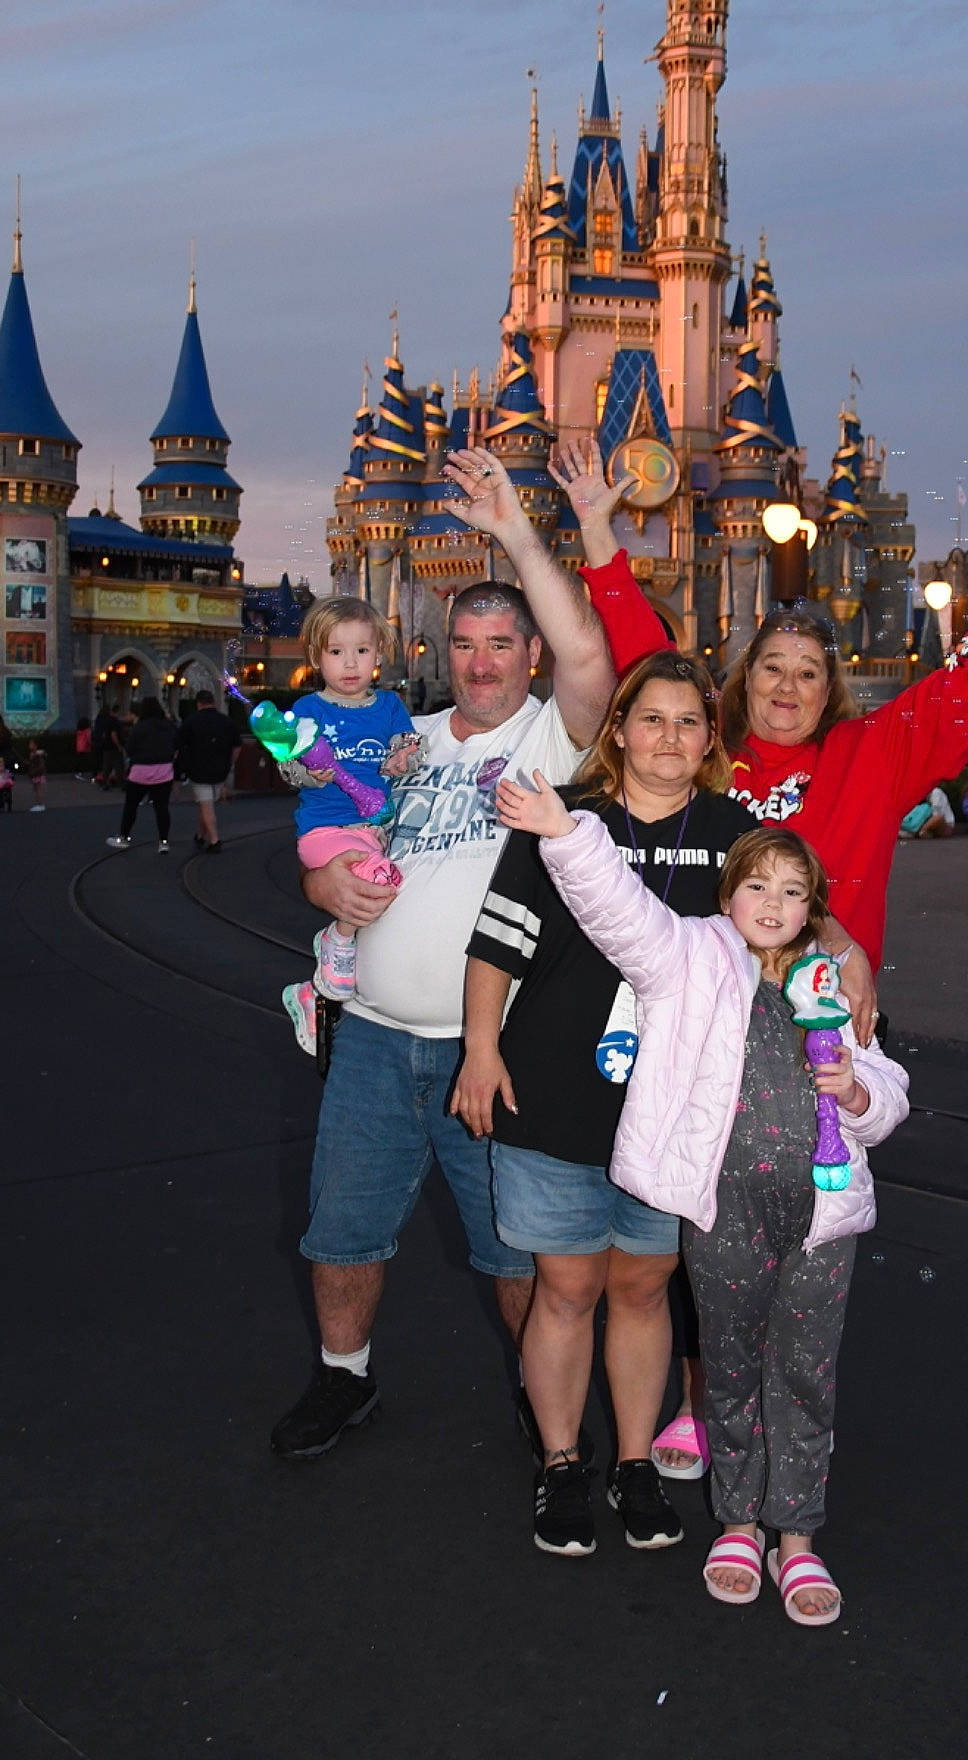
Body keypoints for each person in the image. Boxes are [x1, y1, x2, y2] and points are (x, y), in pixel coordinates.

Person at [270, 446, 617, 1463]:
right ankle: (345, 1377)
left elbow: (594, 659)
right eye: (464, 641)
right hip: (374, 1039)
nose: (479, 660)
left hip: (493, 1052)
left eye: (502, 642)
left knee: (513, 1246)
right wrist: (319, 884)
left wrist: (515, 530)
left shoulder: (559, 739)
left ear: (528, 653)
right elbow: (328, 827)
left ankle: (536, 1389)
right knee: (341, 1227)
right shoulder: (404, 737)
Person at [500, 776, 909, 1626]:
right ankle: (736, 1520)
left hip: (823, 1217)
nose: (773, 901)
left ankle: (795, 1536)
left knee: (803, 1373)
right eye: (757, 883)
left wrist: (859, 1097)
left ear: (813, 910)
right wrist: (561, 832)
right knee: (725, 1366)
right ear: (727, 895)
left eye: (794, 891)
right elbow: (616, 907)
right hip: (721, 1211)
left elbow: (889, 1086)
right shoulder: (687, 957)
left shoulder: (831, 985)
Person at [556, 437, 968, 974]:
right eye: (773, 667)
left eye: (808, 674)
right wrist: (596, 530)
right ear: (745, 678)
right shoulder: (702, 757)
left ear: (827, 694)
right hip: (705, 1015)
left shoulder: (868, 758)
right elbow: (647, 660)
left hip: (826, 1026)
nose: (787, 686)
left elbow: (957, 692)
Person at [452, 651, 764, 1558]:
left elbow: (782, 935)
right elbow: (497, 945)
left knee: (640, 1287)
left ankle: (634, 1464)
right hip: (551, 1087)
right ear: (618, 730)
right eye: (652, 719)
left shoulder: (732, 833)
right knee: (565, 1286)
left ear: (709, 741)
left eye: (688, 722)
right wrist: (479, 1051)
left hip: (668, 1111)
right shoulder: (565, 819)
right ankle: (560, 1463)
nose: (669, 737)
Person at [273, 600, 421, 1054]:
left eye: (361, 650)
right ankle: (336, 938)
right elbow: (285, 766)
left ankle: (316, 992)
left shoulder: (391, 705)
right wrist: (306, 773)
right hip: (325, 831)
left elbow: (409, 748)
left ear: (379, 654)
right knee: (376, 880)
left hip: (373, 827)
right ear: (317, 659)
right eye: (337, 653)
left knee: (387, 889)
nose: (350, 663)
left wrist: (403, 760)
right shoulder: (306, 708)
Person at [105, 697, 178, 852]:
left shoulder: (140, 727)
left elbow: (130, 748)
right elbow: (176, 744)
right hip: (163, 771)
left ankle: (124, 837)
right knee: (162, 809)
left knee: (131, 807)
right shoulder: (168, 726)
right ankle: (163, 842)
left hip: (141, 772)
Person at [176, 688, 239, 854]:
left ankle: (214, 840)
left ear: (198, 703)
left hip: (198, 769)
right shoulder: (226, 722)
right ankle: (200, 835)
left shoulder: (190, 722)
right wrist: (229, 763)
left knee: (206, 805)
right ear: (214, 702)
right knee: (207, 805)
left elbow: (180, 746)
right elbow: (237, 746)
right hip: (220, 770)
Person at [27, 738, 47, 812]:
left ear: (35, 745)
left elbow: (43, 755)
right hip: (35, 773)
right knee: (36, 789)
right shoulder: (32, 753)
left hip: (37, 774)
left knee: (38, 789)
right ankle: (39, 804)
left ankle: (41, 805)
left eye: (31, 744)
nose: (29, 745)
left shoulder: (38, 753)